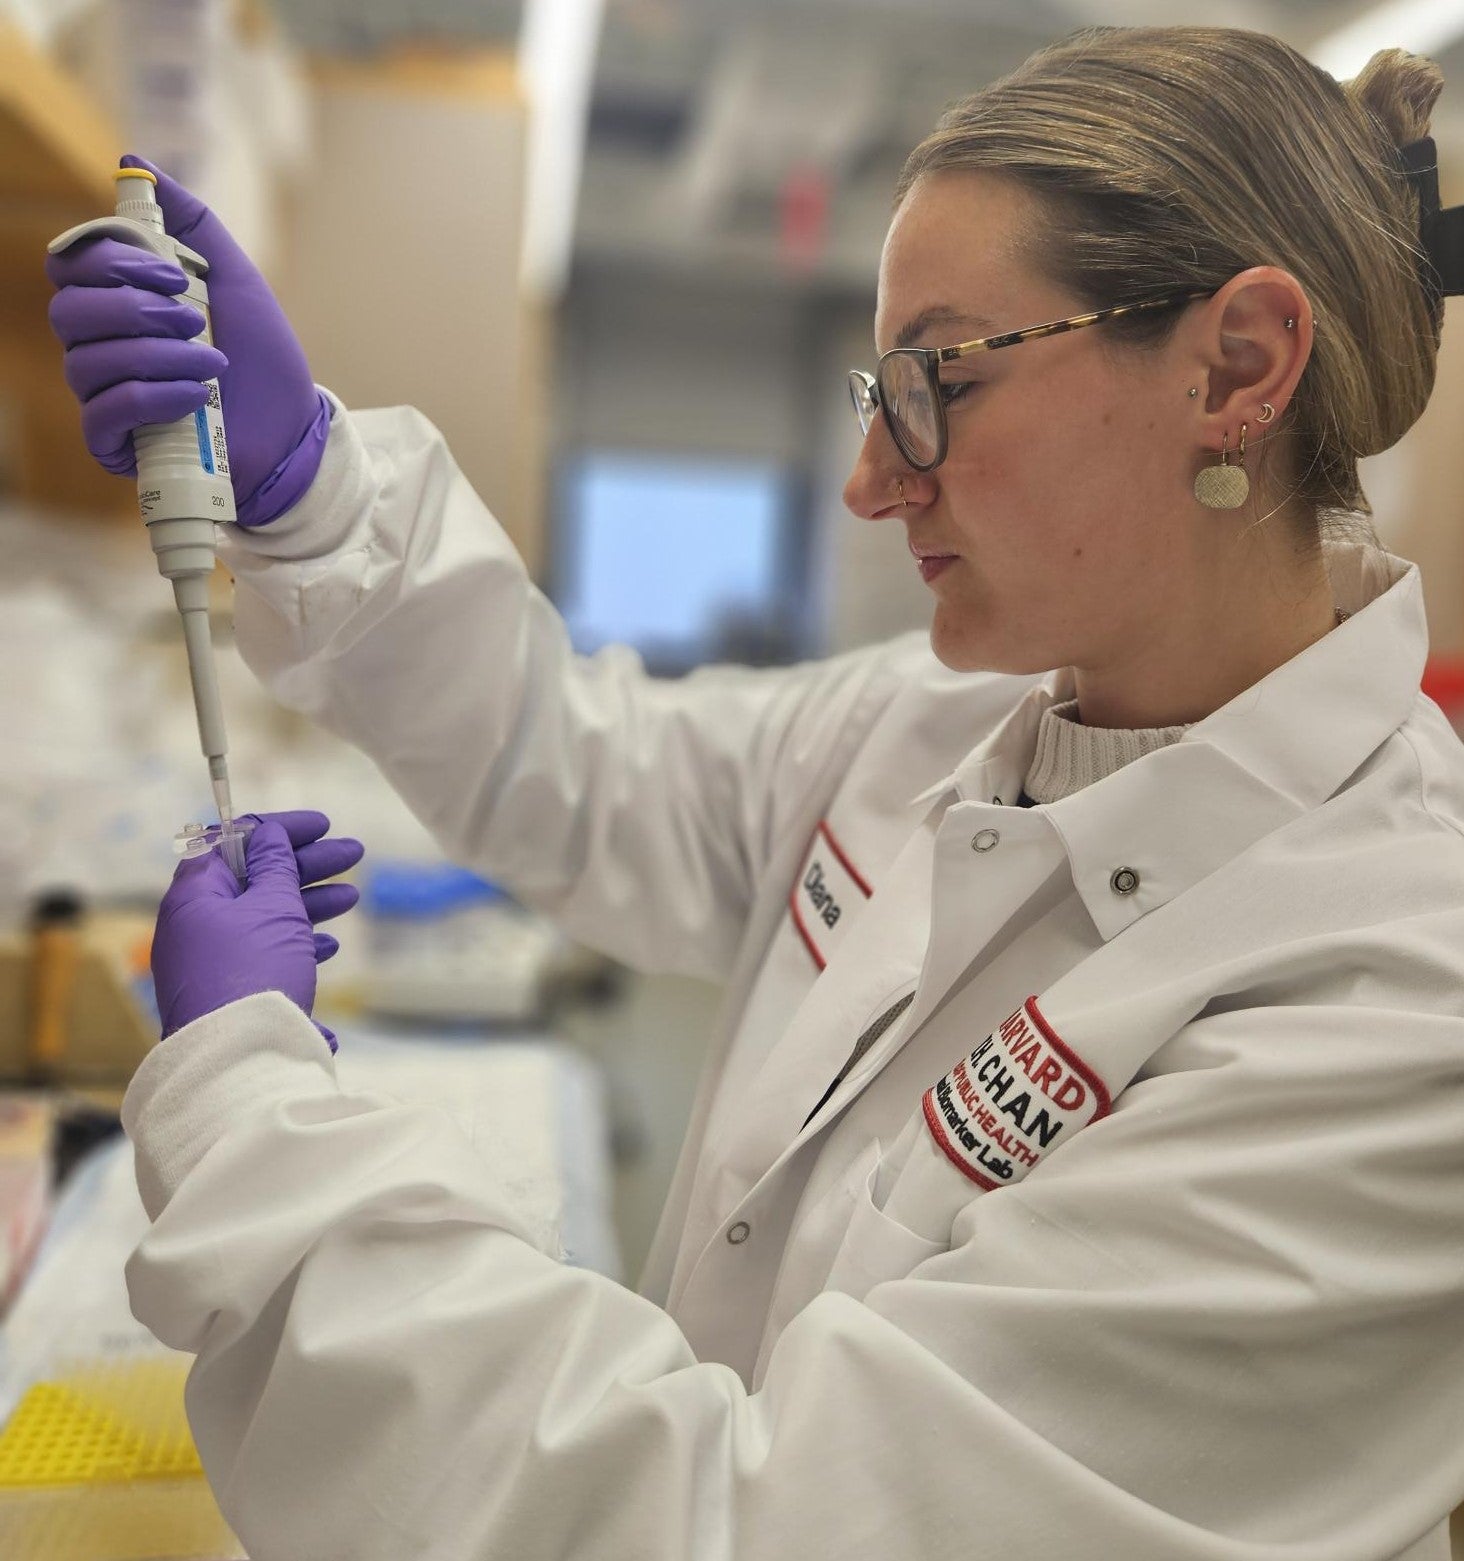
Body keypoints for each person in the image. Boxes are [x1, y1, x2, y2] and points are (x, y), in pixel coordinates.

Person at [44, 24, 1464, 1560]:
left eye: (938, 379)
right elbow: (584, 766)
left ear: (1236, 368)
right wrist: (307, 484)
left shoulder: (1392, 1009)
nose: (870, 476)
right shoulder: (943, 725)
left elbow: (743, 1525)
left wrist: (246, 1108)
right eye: (880, 384)